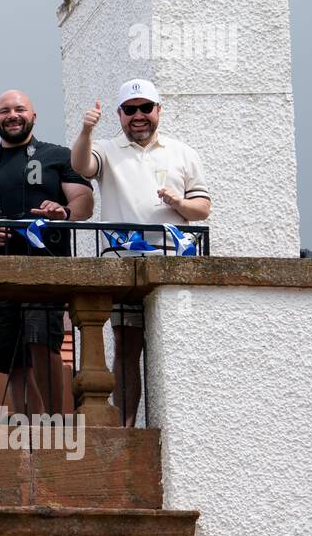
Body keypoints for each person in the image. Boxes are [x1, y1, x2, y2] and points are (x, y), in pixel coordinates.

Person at [70, 78, 211, 425]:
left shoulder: (182, 152)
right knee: (127, 347)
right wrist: (86, 130)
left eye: (146, 108)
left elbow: (203, 207)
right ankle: (127, 425)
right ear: (119, 114)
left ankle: (183, 426)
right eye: (130, 109)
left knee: (175, 346)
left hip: (174, 263)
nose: (139, 116)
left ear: (158, 110)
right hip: (125, 263)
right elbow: (80, 167)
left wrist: (180, 202)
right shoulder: (105, 148)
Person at [0, 89, 93, 417]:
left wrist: (63, 212)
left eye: (20, 109)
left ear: (34, 116)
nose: (12, 115)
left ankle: (59, 422)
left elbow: (84, 203)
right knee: (8, 360)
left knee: (41, 344)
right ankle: (27, 426)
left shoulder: (59, 156)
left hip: (44, 270)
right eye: (4, 110)